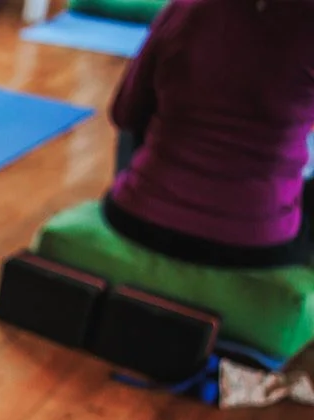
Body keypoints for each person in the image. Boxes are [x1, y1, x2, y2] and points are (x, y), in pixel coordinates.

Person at [106, 0, 314, 268]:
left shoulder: (185, 8)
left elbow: (125, 113)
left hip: (138, 218)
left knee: (143, 117)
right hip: (260, 242)